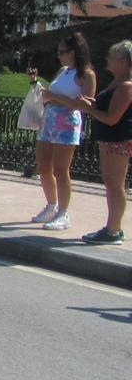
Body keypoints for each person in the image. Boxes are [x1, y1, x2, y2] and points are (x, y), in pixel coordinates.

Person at [26, 33, 96, 230]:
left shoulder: (86, 75)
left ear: (73, 52)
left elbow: (86, 105)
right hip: (49, 120)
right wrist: (34, 82)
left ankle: (63, 213)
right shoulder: (63, 71)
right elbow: (48, 95)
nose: (59, 56)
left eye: (62, 52)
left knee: (60, 169)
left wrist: (56, 98)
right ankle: (51, 205)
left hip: (67, 122)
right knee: (43, 167)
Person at [76, 40, 132, 244]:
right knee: (111, 182)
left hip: (118, 139)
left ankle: (113, 230)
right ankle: (112, 228)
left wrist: (88, 108)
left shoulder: (126, 85)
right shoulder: (117, 82)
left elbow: (112, 118)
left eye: (111, 56)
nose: (107, 59)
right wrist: (91, 103)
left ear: (123, 62)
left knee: (115, 184)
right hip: (110, 139)